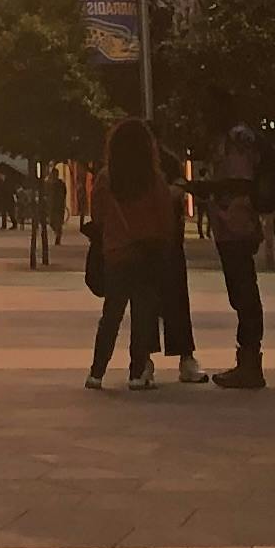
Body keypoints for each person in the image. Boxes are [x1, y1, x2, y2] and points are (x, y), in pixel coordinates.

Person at [85, 116, 202, 389]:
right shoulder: (154, 180)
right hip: (147, 255)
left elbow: (98, 215)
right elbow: (165, 220)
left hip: (116, 255)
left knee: (111, 315)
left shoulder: (105, 178)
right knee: (142, 315)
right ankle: (137, 373)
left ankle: (96, 372)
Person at [196, 122, 275, 391]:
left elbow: (241, 182)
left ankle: (250, 363)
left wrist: (207, 187)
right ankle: (248, 360)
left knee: (244, 292)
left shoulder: (236, 139)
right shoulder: (236, 137)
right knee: (242, 292)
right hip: (232, 225)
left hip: (236, 223)